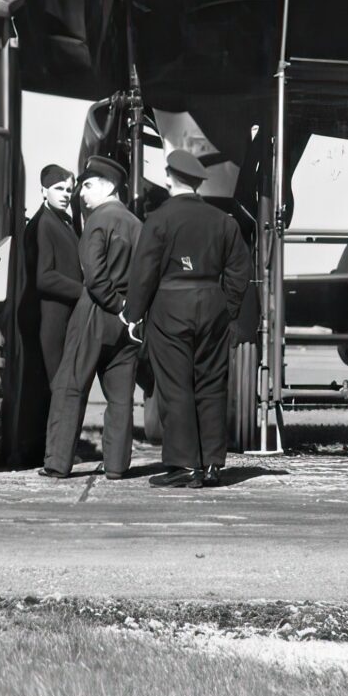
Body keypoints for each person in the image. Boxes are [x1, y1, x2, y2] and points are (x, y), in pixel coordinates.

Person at [128, 146, 254, 488]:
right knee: (211, 383)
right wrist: (226, 307)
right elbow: (240, 270)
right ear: (197, 183)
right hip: (212, 304)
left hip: (170, 306)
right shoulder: (222, 221)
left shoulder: (159, 219)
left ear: (169, 178)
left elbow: (144, 271)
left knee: (176, 386)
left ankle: (184, 466)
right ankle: (213, 464)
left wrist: (132, 314)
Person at [43, 160, 140, 479]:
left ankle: (57, 462)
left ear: (110, 187)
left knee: (69, 386)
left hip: (95, 313)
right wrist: (130, 311)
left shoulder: (98, 220)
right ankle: (116, 466)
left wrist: (115, 304)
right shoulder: (137, 225)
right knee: (121, 396)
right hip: (127, 324)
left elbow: (95, 278)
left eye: (88, 185)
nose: (80, 193)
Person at [25, 165, 83, 422]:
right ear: (43, 191)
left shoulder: (61, 221)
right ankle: (51, 449)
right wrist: (84, 291)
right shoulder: (43, 224)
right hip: (50, 319)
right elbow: (43, 277)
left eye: (69, 189)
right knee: (55, 386)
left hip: (61, 316)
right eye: (58, 188)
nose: (65, 194)